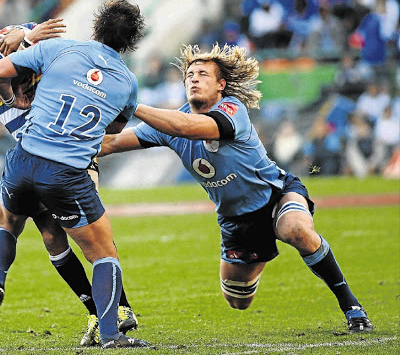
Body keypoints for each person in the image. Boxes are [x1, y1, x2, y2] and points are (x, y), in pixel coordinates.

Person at [100, 43, 373, 334]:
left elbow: (186, 128)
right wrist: (67, 141)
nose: (193, 78)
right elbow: (112, 142)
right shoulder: (169, 124)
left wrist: (133, 106)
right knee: (238, 301)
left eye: (202, 74)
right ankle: (261, 251)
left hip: (275, 195)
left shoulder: (232, 109)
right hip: (237, 220)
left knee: (295, 229)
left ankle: (352, 306)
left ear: (221, 84)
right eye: (189, 74)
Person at [0, 0, 138, 346]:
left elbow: (62, 58)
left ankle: (3, 281)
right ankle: (112, 314)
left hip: (47, 151)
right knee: (84, 237)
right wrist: (23, 43)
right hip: (41, 147)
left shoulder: (24, 33)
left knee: (57, 234)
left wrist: (26, 39)